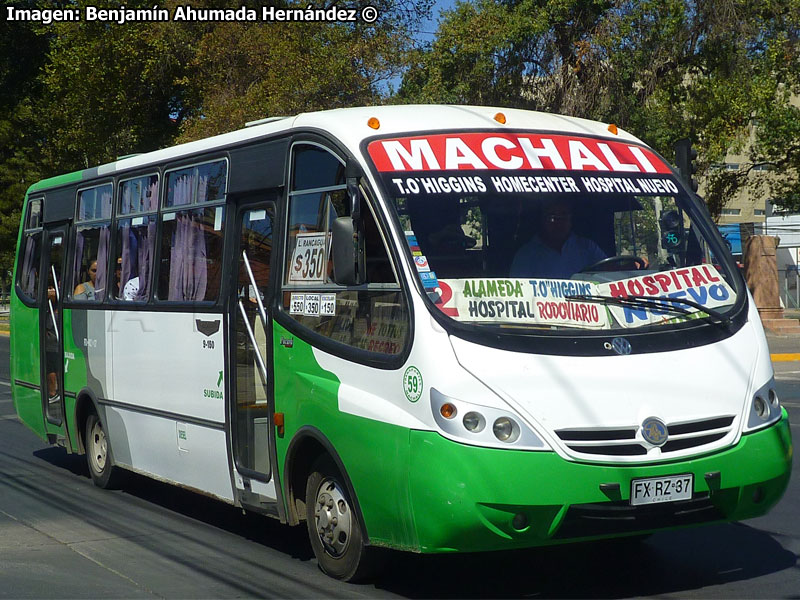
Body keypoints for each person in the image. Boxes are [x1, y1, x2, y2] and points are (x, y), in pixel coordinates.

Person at [509, 200, 605, 279]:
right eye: (552, 217)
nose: (559, 223)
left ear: (571, 219)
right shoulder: (526, 254)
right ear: (542, 220)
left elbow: (609, 274)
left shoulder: (588, 248)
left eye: (564, 216)